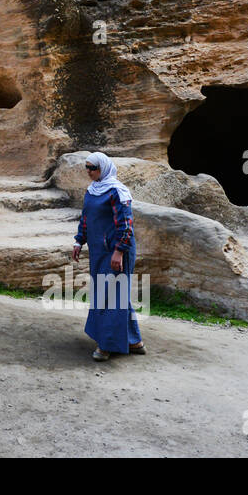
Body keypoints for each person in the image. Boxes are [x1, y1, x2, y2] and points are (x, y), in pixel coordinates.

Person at [71, 152, 145, 361]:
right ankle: (134, 341)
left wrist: (119, 251)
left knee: (111, 296)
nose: (89, 171)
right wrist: (79, 241)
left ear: (103, 168)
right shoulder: (92, 191)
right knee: (112, 293)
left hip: (116, 252)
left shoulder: (117, 192)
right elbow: (86, 218)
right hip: (99, 251)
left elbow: (126, 225)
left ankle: (106, 345)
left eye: (92, 167)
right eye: (87, 167)